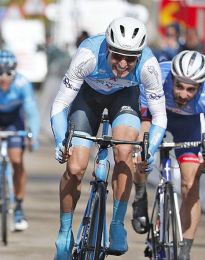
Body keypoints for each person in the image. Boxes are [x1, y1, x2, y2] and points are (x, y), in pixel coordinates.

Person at [50, 16, 167, 259]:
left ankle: (116, 224)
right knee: (75, 167)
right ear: (107, 49)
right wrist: (62, 139)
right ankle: (64, 231)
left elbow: (159, 117)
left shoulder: (149, 65)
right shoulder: (88, 55)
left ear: (140, 55)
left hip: (124, 99)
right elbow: (60, 103)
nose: (123, 64)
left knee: (125, 151)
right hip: (88, 98)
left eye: (131, 58)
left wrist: (149, 150)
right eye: (117, 56)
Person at [132, 50, 205, 260]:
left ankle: (184, 251)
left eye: (191, 89)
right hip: (156, 115)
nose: (183, 95)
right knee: (141, 152)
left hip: (188, 126)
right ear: (171, 78)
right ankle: (139, 195)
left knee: (190, 184)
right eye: (179, 86)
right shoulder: (157, 75)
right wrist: (143, 148)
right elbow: (144, 117)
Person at [0, 50, 40, 231]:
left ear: (15, 73)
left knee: (17, 160)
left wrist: (33, 135)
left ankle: (18, 207)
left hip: (13, 119)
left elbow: (32, 111)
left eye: (9, 74)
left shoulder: (22, 83)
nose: (4, 78)